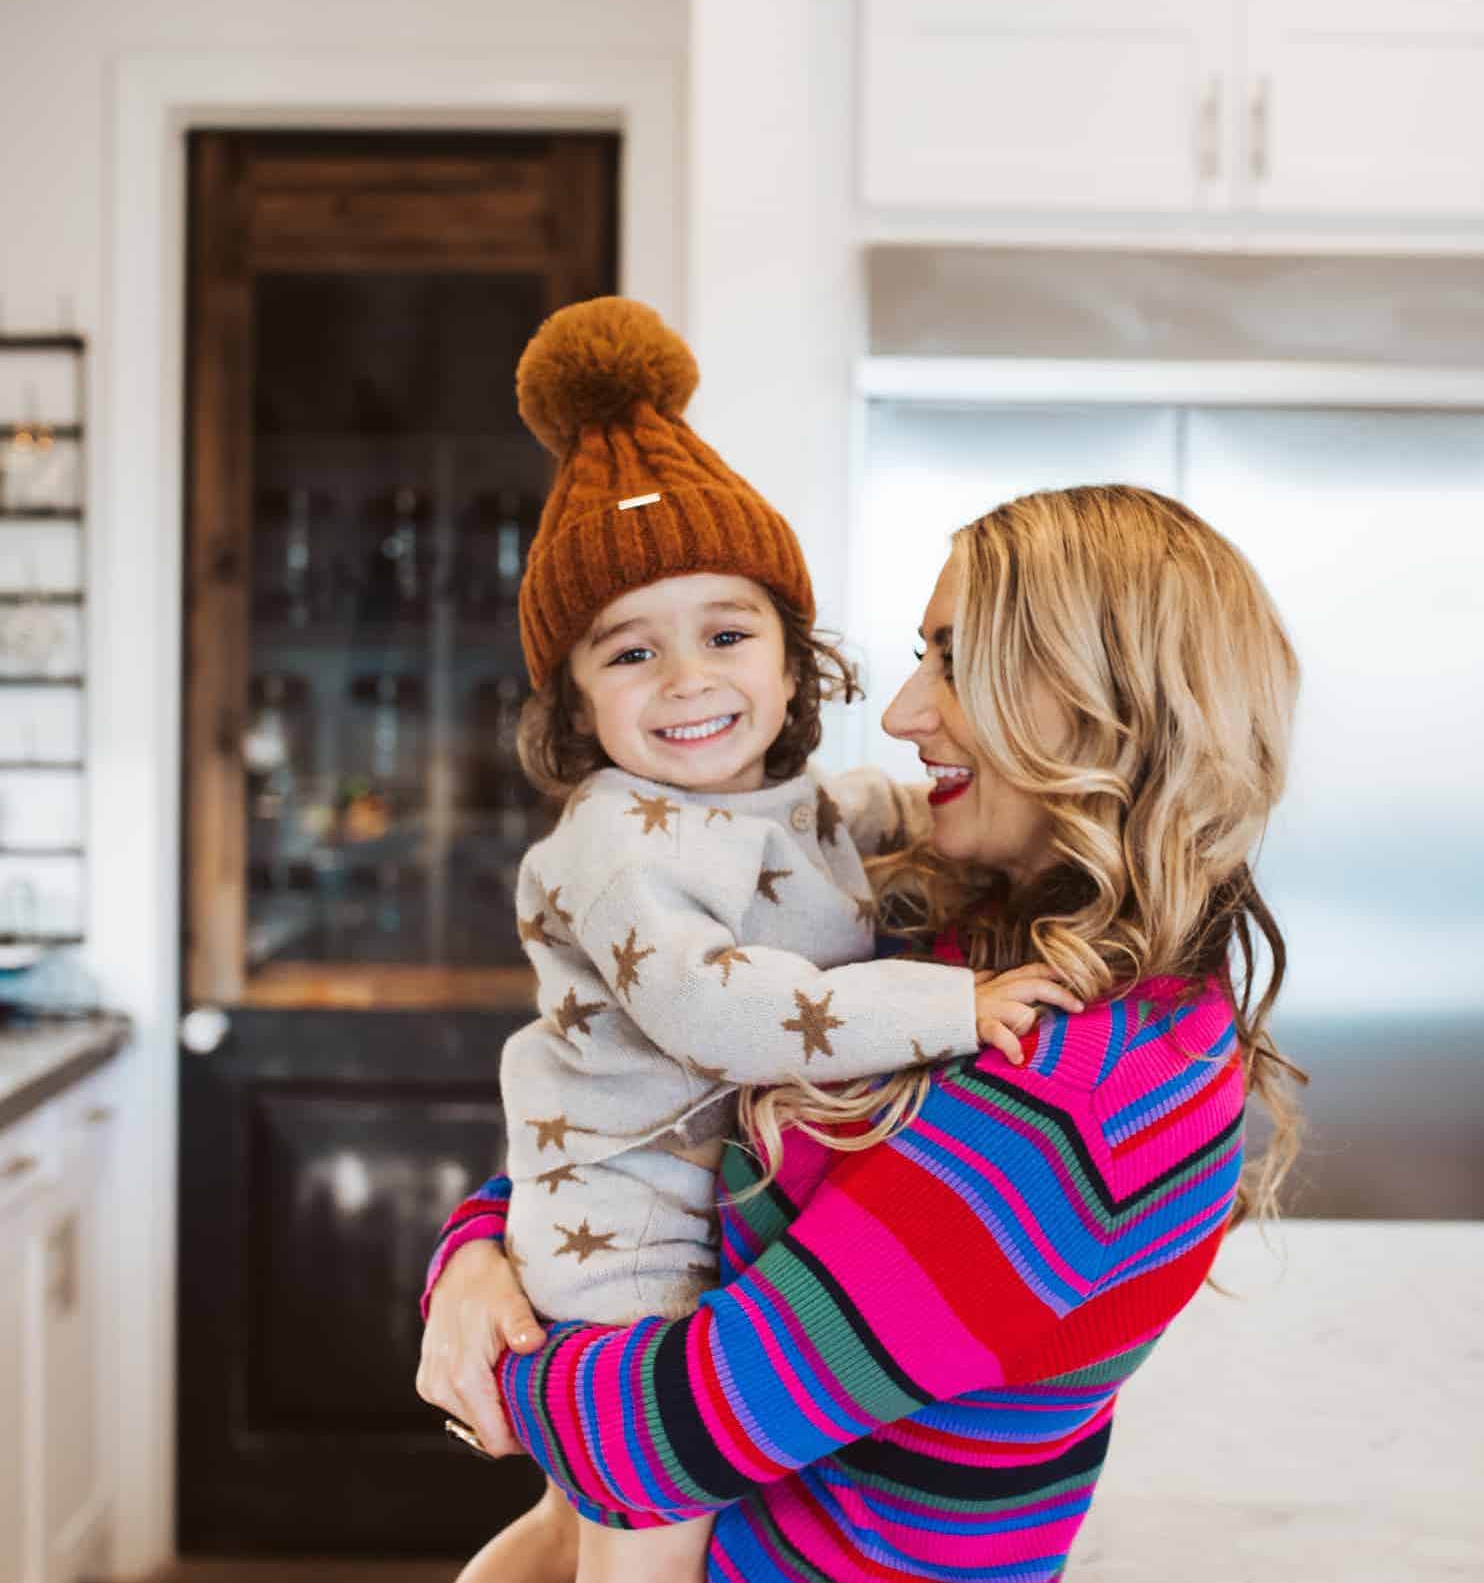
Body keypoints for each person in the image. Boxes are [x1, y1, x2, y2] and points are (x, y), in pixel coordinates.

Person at [421, 482, 1305, 1582]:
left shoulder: (1080, 1091)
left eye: (951, 660)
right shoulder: (961, 934)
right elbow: (650, 1093)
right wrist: (473, 1256)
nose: (898, 714)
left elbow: (667, 1434)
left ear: (1094, 696)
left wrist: (488, 1353)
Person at [458, 297, 1080, 1583]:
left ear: (795, 664)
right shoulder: (618, 839)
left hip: (689, 1204)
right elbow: (717, 1006)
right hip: (627, 1229)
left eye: (726, 634)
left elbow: (864, 821)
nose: (688, 679)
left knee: (566, 1529)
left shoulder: (775, 802)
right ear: (574, 701)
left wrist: (985, 801)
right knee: (646, 1544)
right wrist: (955, 1009)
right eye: (630, 651)